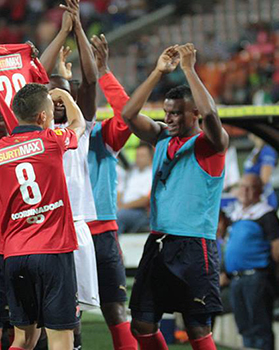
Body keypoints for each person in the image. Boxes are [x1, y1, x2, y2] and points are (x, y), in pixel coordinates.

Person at [122, 43, 229, 350]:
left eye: (176, 113)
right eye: (166, 113)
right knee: (141, 323)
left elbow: (210, 112)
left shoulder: (210, 145)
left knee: (197, 329)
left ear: (193, 113)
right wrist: (158, 71)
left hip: (196, 246)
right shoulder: (160, 137)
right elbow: (129, 114)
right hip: (159, 242)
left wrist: (188, 69)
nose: (169, 119)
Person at [0, 83, 86, 350]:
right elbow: (79, 124)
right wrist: (63, 94)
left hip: (14, 254)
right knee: (60, 337)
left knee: (23, 338)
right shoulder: (52, 140)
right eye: (50, 113)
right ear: (42, 117)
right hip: (52, 251)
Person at [47, 1, 100, 348]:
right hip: (43, 227)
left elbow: (91, 79)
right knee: (41, 314)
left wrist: (78, 28)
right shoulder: (40, 131)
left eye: (69, 93)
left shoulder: (80, 132)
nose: (64, 99)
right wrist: (63, 31)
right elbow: (34, 72)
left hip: (75, 223)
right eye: (56, 94)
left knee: (72, 312)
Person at [86, 34, 137, 350]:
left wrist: (104, 71)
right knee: (64, 316)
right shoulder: (47, 139)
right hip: (66, 233)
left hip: (102, 231)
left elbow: (128, 115)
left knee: (116, 309)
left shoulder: (101, 135)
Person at [222, 174, 279, 350]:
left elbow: (276, 246)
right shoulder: (237, 214)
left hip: (257, 277)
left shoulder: (266, 213)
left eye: (251, 187)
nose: (245, 191)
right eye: (242, 186)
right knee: (245, 327)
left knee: (259, 327)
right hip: (237, 279)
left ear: (259, 191)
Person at [117, 142, 153, 234]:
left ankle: (113, 247)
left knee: (119, 216)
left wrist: (123, 207)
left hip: (141, 212)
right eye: (137, 155)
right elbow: (121, 190)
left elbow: (145, 200)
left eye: (142, 156)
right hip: (124, 208)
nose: (138, 159)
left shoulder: (152, 174)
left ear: (150, 158)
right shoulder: (132, 172)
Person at [244, 134, 277, 208]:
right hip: (252, 196)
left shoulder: (267, 150)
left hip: (263, 198)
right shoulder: (256, 149)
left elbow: (264, 180)